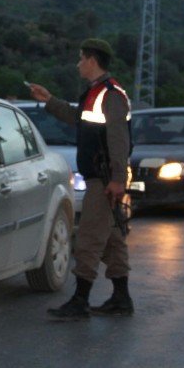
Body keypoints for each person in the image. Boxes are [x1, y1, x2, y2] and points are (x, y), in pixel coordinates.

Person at [27, 38, 133, 318]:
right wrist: (49, 100)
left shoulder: (111, 94)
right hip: (100, 176)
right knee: (110, 237)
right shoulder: (94, 92)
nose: (78, 64)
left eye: (81, 58)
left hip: (104, 177)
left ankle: (80, 300)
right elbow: (77, 116)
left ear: (92, 60)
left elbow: (118, 139)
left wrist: (118, 179)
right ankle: (122, 299)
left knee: (87, 238)